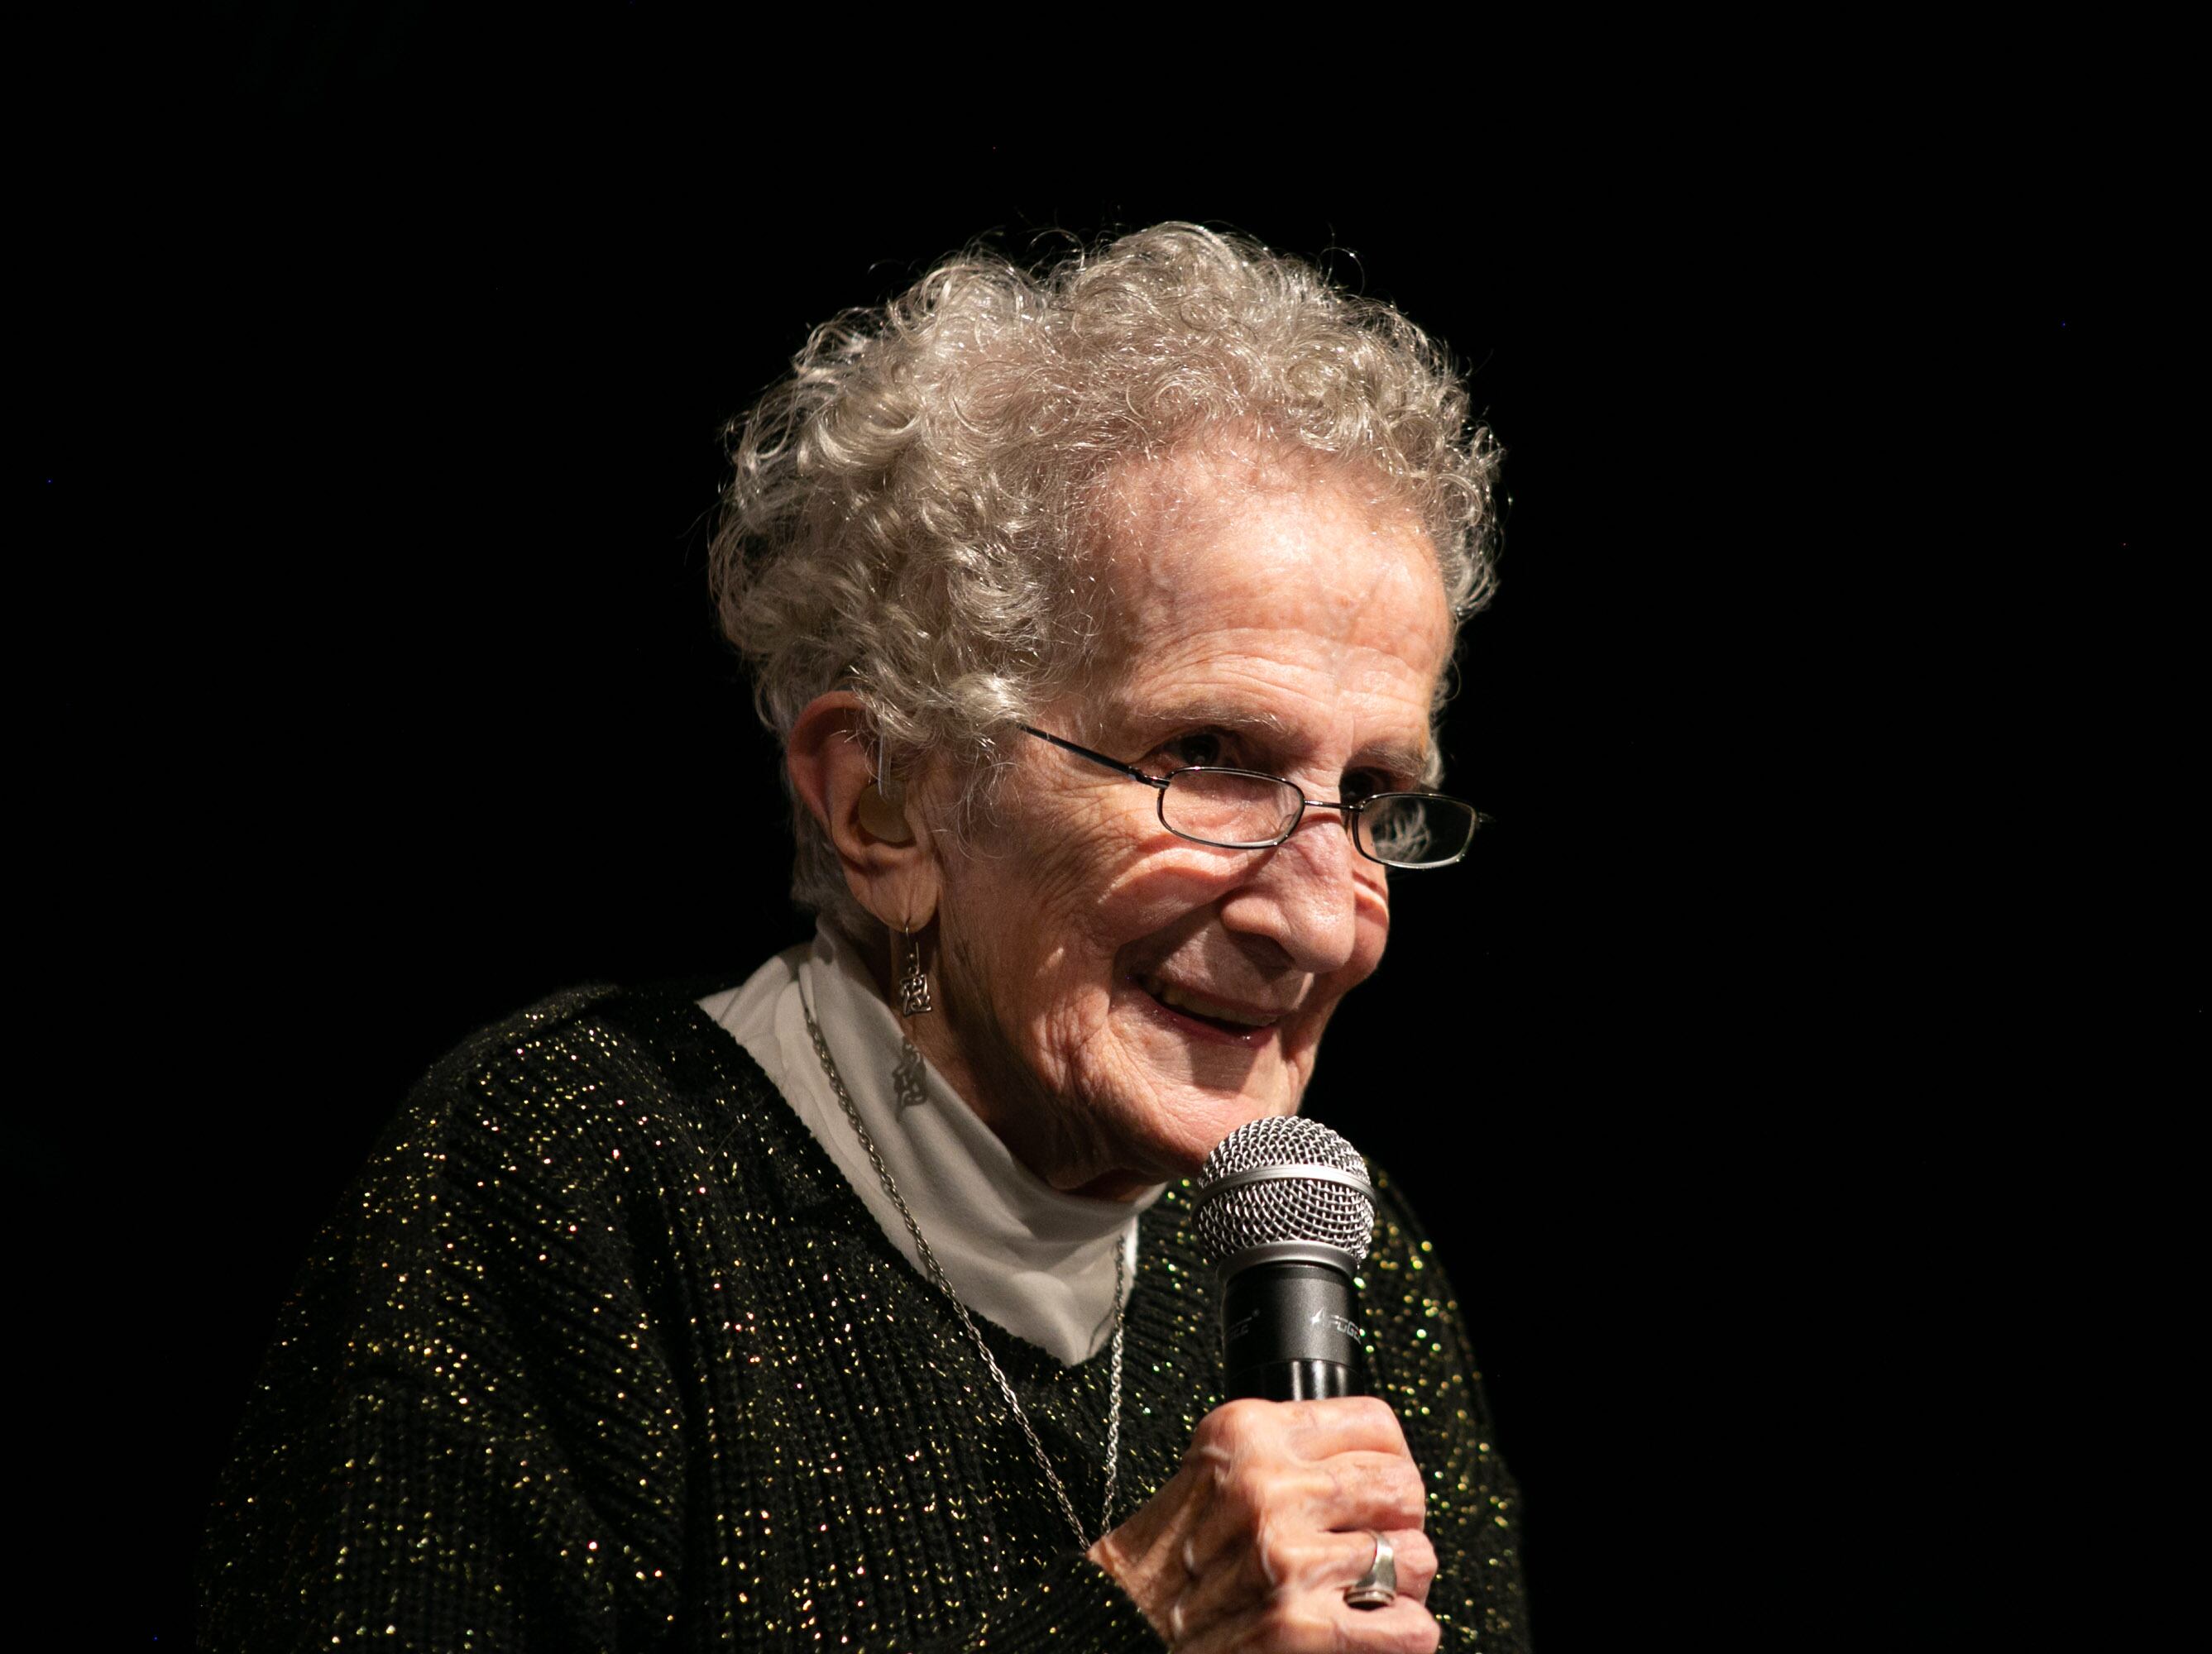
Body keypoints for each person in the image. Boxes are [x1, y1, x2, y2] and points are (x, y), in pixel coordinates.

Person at [201, 224, 1528, 1651]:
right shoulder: (567, 1181)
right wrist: (1131, 1626)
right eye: (1208, 756)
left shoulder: (1350, 1267)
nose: (1322, 915)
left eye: (1376, 797)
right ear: (886, 805)